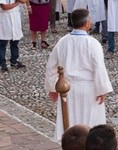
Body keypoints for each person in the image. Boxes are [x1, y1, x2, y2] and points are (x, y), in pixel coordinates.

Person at [45, 9, 113, 140]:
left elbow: (51, 66)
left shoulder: (62, 42)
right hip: (89, 89)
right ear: (87, 23)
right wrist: (102, 89)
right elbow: (99, 68)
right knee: (90, 124)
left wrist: (53, 87)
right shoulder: (92, 44)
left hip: (67, 89)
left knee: (70, 122)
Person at [0, 0, 27, 71]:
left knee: (15, 41)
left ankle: (14, 60)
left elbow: (23, 0)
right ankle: (2, 63)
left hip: (15, 17)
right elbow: (4, 6)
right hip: (5, 18)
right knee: (3, 42)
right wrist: (16, 4)